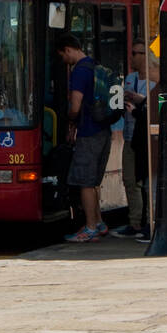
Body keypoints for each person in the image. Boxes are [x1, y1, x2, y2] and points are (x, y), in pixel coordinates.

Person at [55, 32, 112, 243]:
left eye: (63, 55)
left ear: (68, 50)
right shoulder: (95, 66)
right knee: (93, 181)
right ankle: (98, 222)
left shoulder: (79, 71)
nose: (63, 60)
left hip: (88, 132)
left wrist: (69, 118)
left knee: (85, 182)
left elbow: (76, 106)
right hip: (103, 130)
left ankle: (89, 228)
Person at [114, 41, 156, 238]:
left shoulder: (157, 81)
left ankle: (150, 221)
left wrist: (140, 101)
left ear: (146, 56)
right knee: (130, 180)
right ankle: (135, 222)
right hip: (130, 135)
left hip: (148, 138)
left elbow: (158, 106)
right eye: (131, 53)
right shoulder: (130, 78)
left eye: (136, 53)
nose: (132, 57)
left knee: (148, 182)